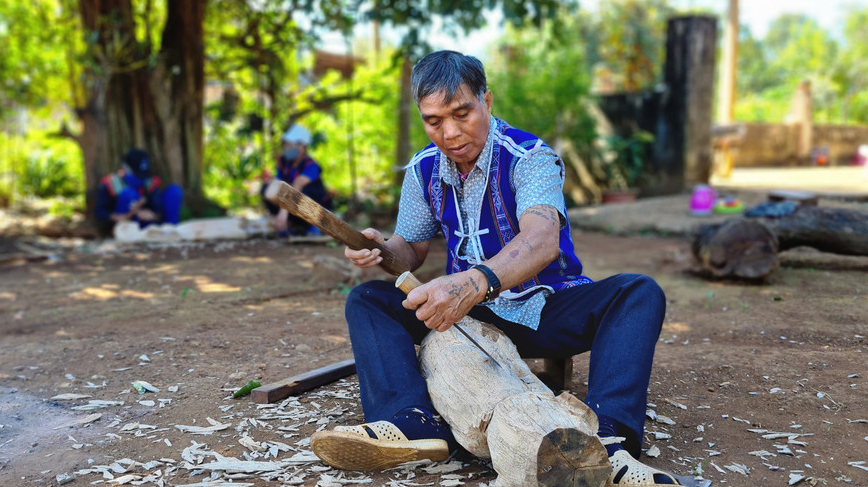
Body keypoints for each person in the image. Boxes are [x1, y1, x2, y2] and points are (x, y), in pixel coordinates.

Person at [310, 51, 681, 486]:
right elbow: (409, 248)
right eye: (433, 121)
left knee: (637, 292)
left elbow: (541, 240)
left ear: (486, 100)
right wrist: (378, 248)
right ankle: (411, 422)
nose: (450, 133)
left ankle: (608, 443)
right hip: (464, 318)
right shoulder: (423, 169)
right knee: (368, 299)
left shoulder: (530, 157)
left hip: (544, 309)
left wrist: (474, 283)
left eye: (462, 113)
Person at [261, 124, 332, 237]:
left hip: (315, 211)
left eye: (290, 145)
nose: (286, 148)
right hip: (292, 209)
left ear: (301, 146)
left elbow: (298, 185)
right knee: (267, 188)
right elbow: (278, 183)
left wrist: (283, 213)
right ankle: (286, 224)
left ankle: (312, 226)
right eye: (285, 145)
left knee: (304, 191)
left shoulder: (311, 165)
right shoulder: (283, 162)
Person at [93, 148, 183, 236]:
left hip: (149, 225)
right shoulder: (111, 183)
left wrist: (153, 215)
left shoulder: (150, 182)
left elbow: (159, 210)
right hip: (125, 225)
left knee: (174, 191)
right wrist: (117, 216)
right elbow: (100, 212)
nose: (141, 178)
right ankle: (129, 235)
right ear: (126, 168)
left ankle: (170, 233)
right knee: (129, 194)